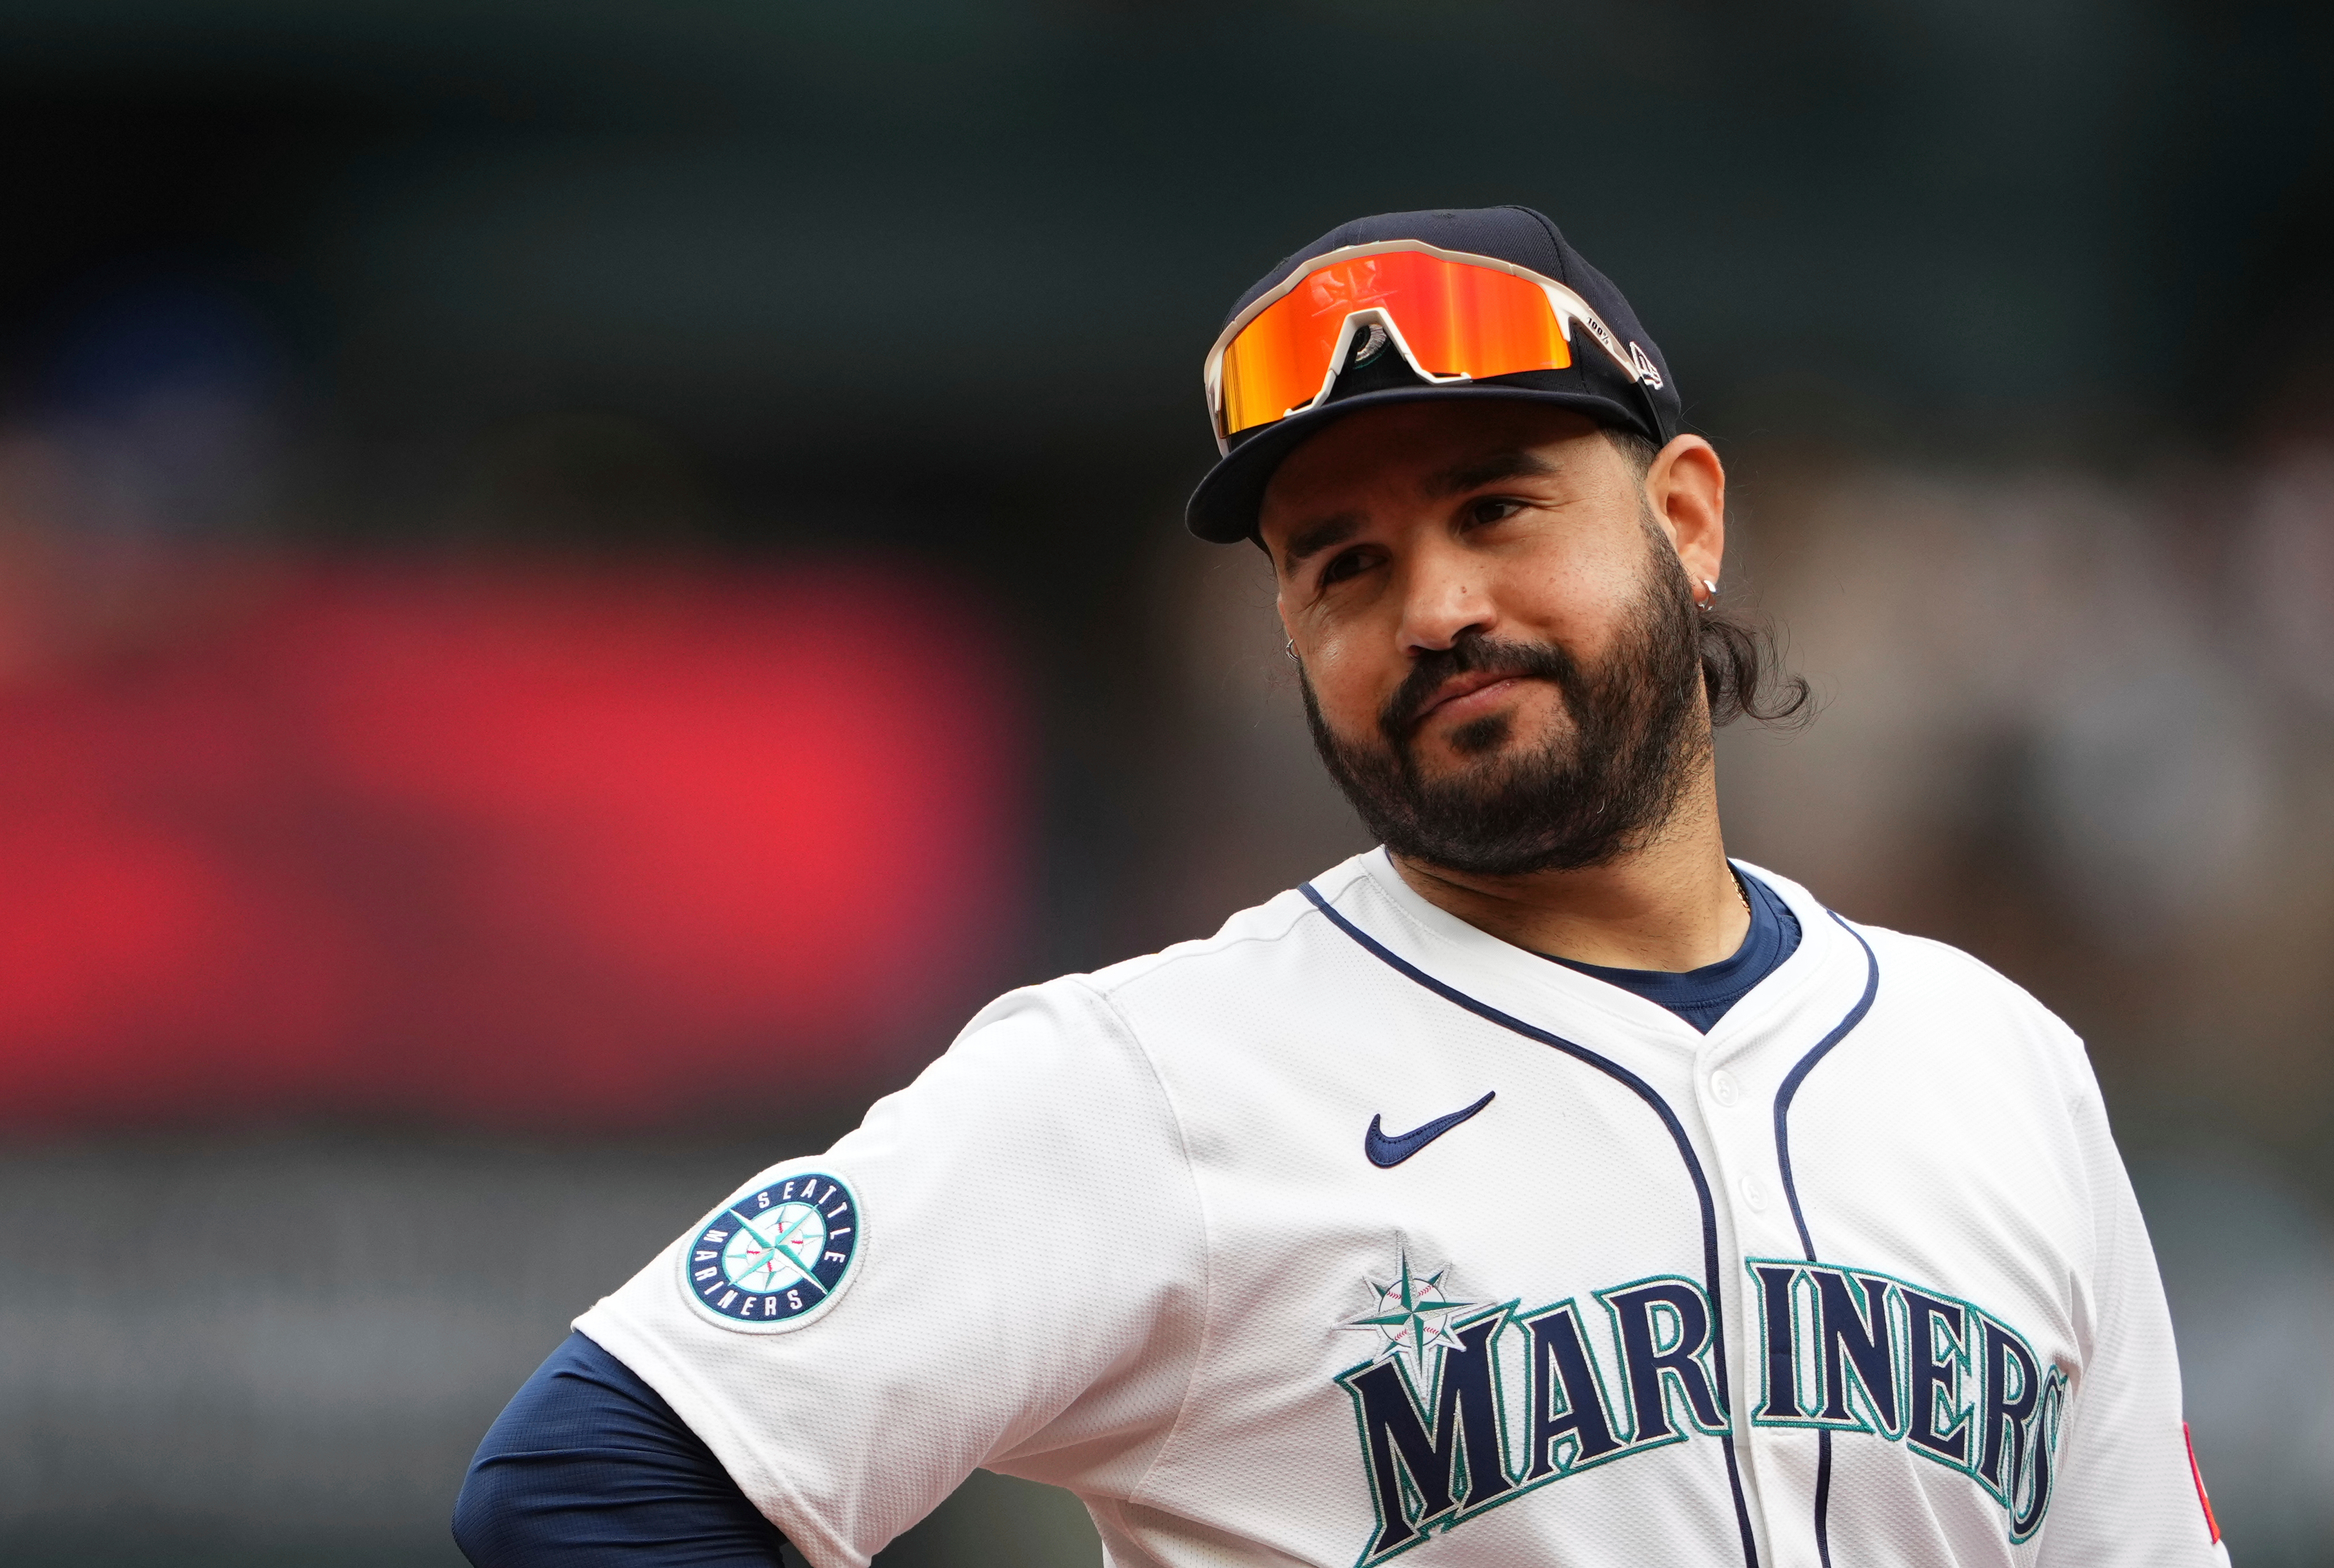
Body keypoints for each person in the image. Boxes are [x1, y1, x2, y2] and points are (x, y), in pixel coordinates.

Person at [453, 206, 2229, 1567]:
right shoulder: (1158, 1081)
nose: (1435, 605)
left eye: (1498, 505)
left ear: (1685, 520)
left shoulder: (1997, 1063)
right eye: (1347, 563)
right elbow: (599, 1469)